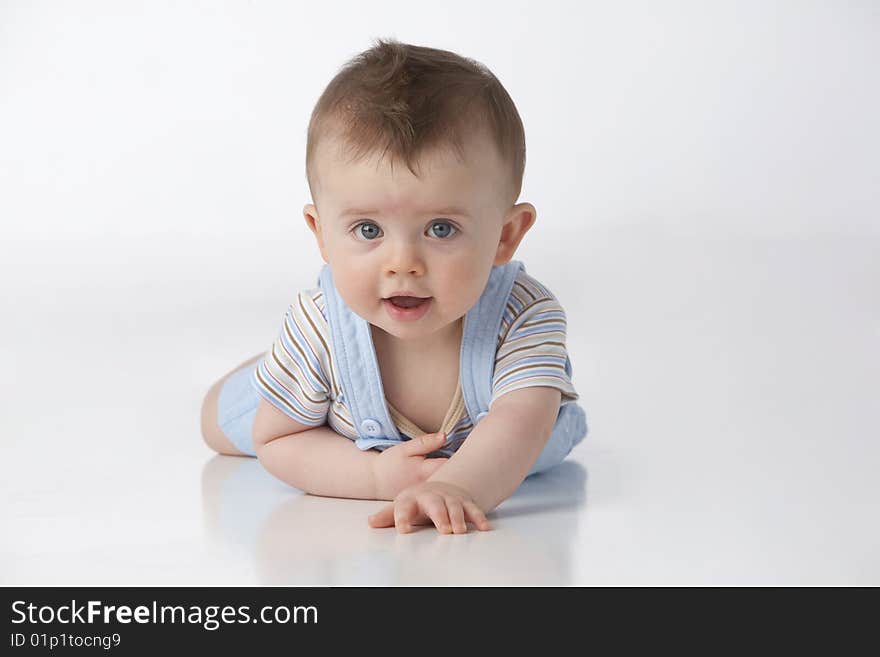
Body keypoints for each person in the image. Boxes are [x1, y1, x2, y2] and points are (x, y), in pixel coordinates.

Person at [200, 38, 587, 535]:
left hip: (499, 450)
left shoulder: (524, 315)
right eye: (368, 230)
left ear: (505, 235)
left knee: (536, 426)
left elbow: (520, 422)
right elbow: (277, 441)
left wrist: (458, 487)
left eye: (441, 229)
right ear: (322, 234)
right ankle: (273, 370)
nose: (403, 265)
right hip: (328, 409)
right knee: (217, 424)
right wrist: (376, 474)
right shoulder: (320, 325)